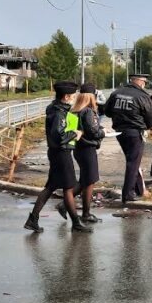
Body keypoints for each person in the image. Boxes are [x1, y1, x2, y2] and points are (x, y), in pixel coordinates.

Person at [24, 80, 91, 233]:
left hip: (56, 152)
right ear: (66, 97)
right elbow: (59, 135)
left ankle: (32, 219)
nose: (75, 98)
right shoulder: (60, 112)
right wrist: (76, 133)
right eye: (73, 96)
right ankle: (76, 222)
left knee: (51, 187)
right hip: (61, 153)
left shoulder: (56, 108)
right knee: (68, 188)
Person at [56, 83, 105, 225]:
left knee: (85, 180)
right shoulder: (88, 111)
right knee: (90, 181)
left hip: (78, 148)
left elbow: (73, 130)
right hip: (87, 149)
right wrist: (103, 132)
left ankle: (66, 205)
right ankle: (85, 213)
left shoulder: (73, 110)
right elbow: (93, 131)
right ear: (91, 97)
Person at [108, 72, 152, 203]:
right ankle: (128, 194)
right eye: (144, 82)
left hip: (119, 132)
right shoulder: (142, 95)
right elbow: (149, 114)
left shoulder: (116, 93)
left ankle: (139, 189)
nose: (144, 84)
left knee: (133, 161)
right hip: (135, 132)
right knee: (133, 163)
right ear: (139, 81)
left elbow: (107, 111)